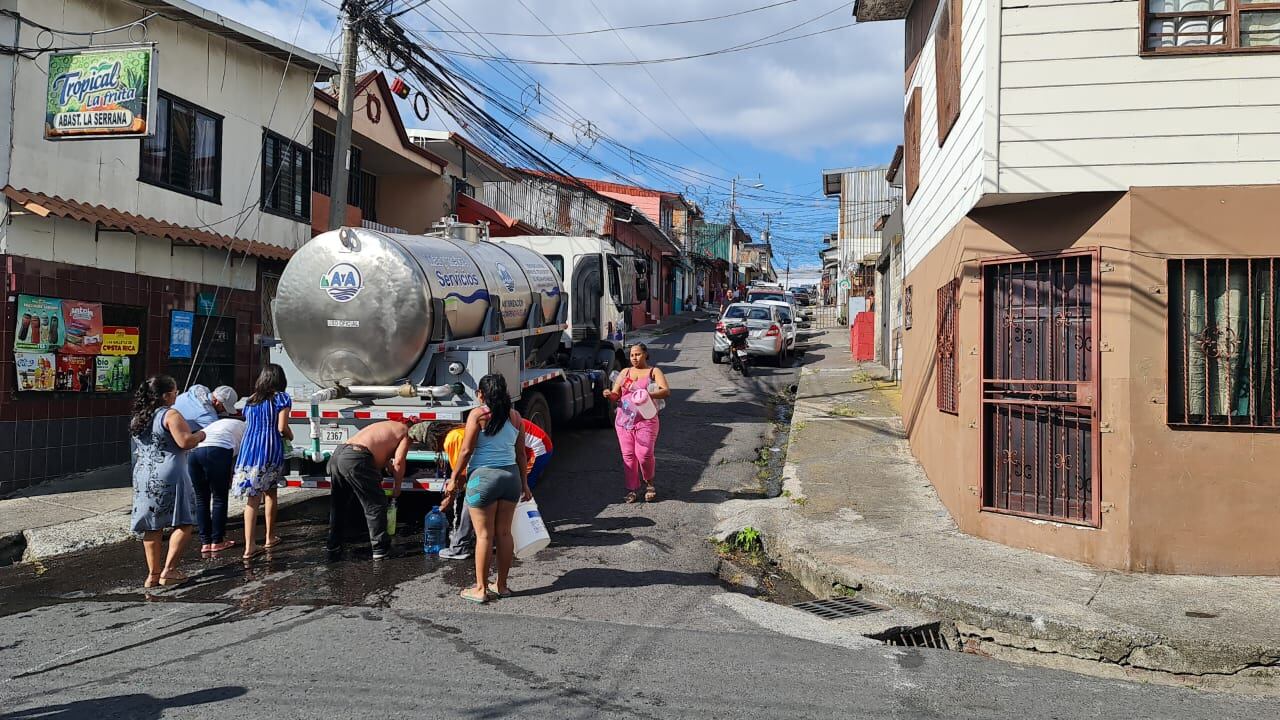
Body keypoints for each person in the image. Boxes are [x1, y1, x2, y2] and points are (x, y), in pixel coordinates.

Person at [442, 374, 531, 603]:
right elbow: (521, 453)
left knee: (484, 535)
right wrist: (525, 484)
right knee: (504, 533)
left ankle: (481, 589)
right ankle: (501, 585)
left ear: (482, 394)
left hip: (483, 478)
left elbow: (465, 450)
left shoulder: (478, 414)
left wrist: (454, 478)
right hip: (510, 478)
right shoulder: (516, 417)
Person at [428, 418, 552, 562]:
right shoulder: (489, 420)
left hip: (537, 449)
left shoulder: (458, 434)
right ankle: (504, 538)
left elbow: (465, 466)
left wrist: (454, 489)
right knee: (507, 497)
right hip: (514, 459)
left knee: (516, 498)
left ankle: (525, 535)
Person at [129, 375, 206, 588]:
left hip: (143, 473)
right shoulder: (170, 415)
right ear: (165, 396)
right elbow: (185, 442)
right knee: (184, 521)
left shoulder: (139, 417)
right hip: (170, 472)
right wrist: (200, 435)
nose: (177, 395)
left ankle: (152, 574)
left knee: (151, 526)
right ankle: (169, 570)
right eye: (174, 392)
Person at [231, 365, 292, 559]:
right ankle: (269, 537)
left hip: (249, 451)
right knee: (270, 493)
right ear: (279, 380)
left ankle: (249, 546)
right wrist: (290, 437)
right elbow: (282, 428)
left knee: (252, 498)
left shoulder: (250, 400)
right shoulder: (281, 398)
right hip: (268, 449)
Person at [326, 420, 409, 560]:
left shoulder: (389, 425)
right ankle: (381, 549)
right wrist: (397, 487)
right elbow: (399, 461)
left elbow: (378, 446)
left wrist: (387, 463)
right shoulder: (406, 433)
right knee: (375, 504)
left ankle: (333, 544)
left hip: (339, 453)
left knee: (339, 503)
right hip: (356, 457)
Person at [604, 343, 670, 503]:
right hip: (624, 421)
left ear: (645, 354)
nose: (634, 358)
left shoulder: (654, 372)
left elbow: (666, 391)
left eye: (638, 354)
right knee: (628, 456)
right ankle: (632, 489)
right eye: (632, 355)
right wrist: (609, 394)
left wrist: (647, 393)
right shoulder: (625, 372)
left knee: (645, 454)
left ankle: (649, 484)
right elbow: (616, 395)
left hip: (646, 420)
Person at [188, 416, 246, 555]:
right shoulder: (247, 429)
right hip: (218, 451)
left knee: (201, 499)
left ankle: (205, 542)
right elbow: (243, 455)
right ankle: (217, 541)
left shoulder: (221, 424)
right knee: (219, 498)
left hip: (195, 452)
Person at [173, 384, 238, 432]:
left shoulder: (197, 390)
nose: (224, 412)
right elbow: (216, 435)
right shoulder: (208, 416)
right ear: (217, 402)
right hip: (172, 439)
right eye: (224, 408)